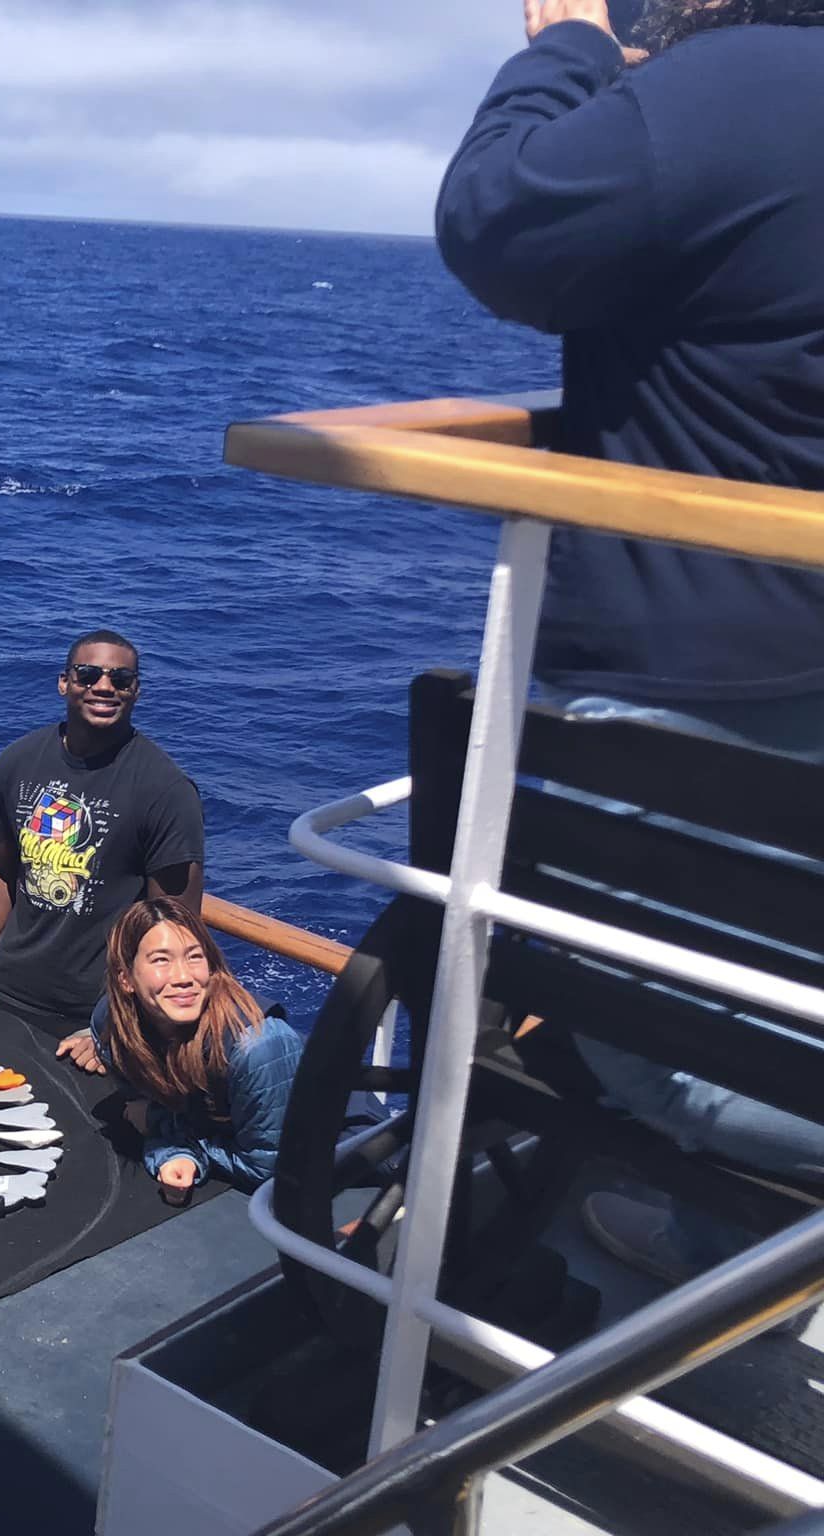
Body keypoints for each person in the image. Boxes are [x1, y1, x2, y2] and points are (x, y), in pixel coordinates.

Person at [438, 0, 824, 1283]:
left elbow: (493, 223)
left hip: (696, 672)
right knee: (780, 971)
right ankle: (725, 1244)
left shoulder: (721, 92)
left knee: (667, 1050)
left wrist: (568, 48)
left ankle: (740, 1240)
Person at [0, 630, 205, 1047]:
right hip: (1, 998)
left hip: (93, 1024)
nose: (104, 686)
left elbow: (175, 927)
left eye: (121, 679)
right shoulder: (18, 761)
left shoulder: (165, 789)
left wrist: (114, 1029)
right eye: (88, 674)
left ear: (136, 691)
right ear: (64, 682)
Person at [66, 899, 302, 1196]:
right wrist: (170, 1147)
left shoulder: (258, 1047)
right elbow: (148, 1104)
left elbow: (269, 1171)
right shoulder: (111, 1025)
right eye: (161, 960)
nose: (183, 978)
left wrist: (163, 1131)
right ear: (126, 979)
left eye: (194, 957)